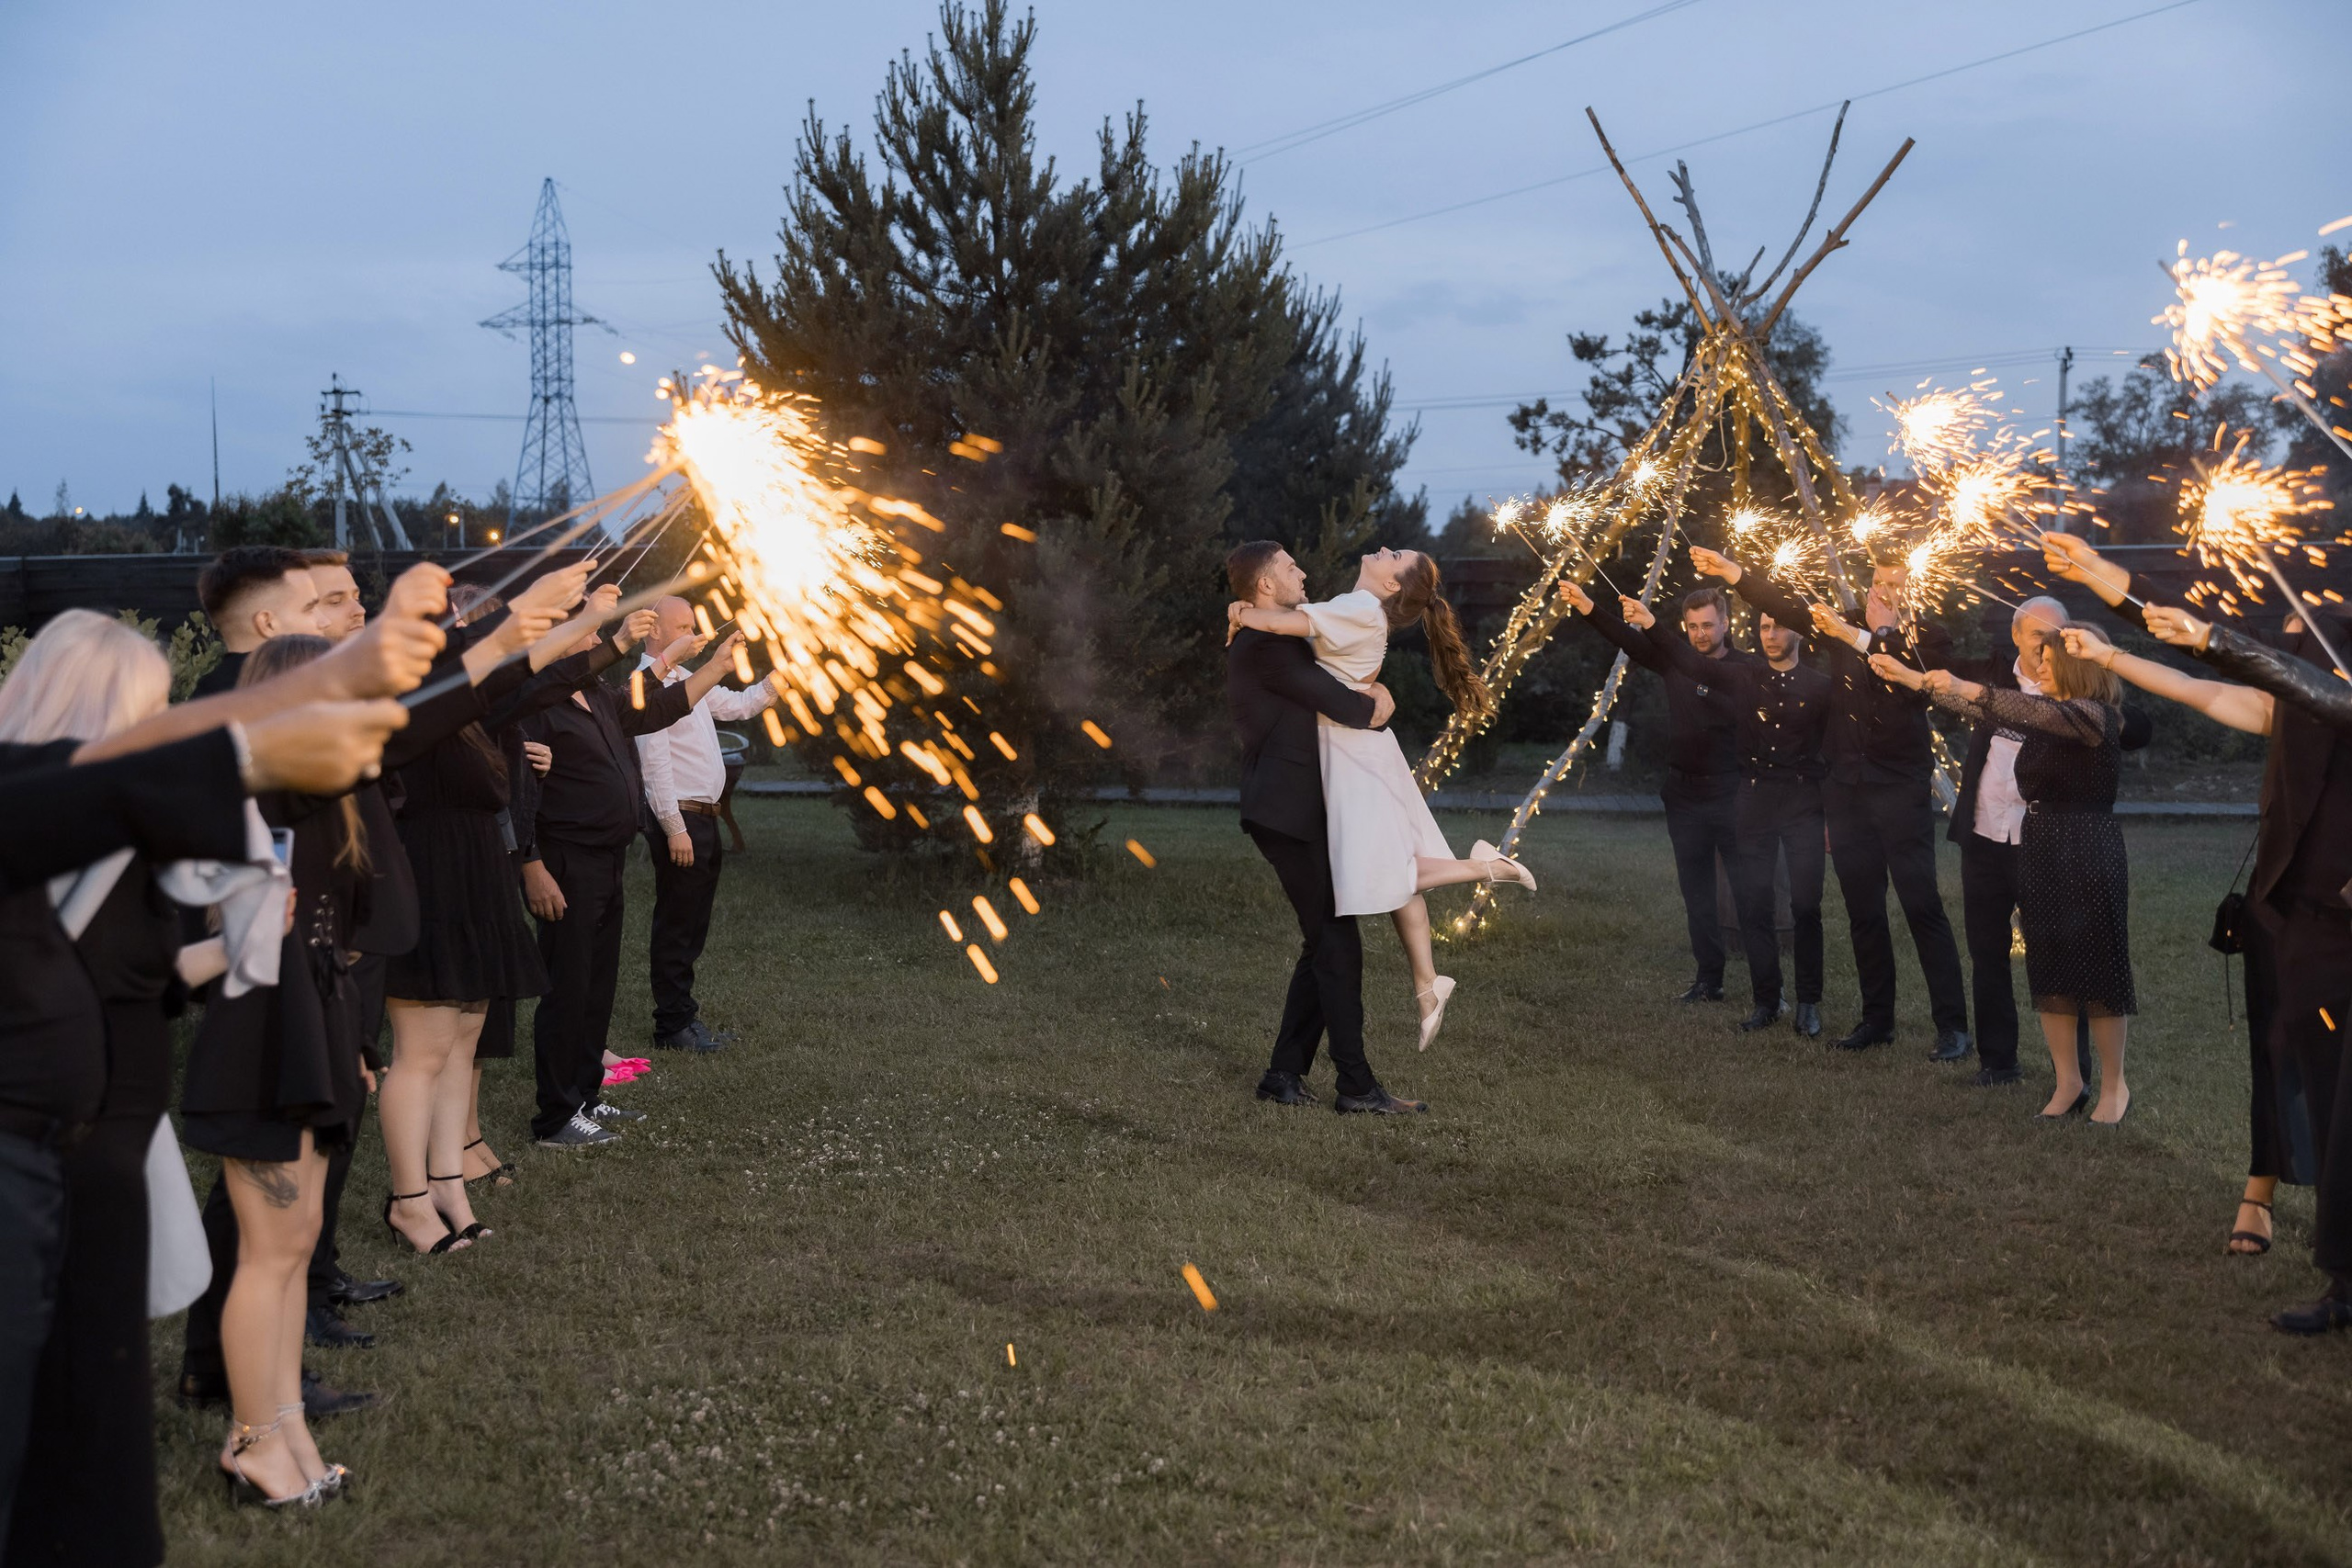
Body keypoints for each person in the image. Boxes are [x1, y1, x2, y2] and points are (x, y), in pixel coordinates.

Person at [0, 613, 281, 1557]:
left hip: (107, 1122)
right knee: (77, 1406)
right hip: (69, 1145)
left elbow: (144, 983)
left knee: (83, 1391)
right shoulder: (59, 822)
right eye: (150, 710)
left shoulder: (94, 824)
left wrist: (232, 938)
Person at [2042, 532, 2346, 1329]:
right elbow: (2200, 687)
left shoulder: (2334, 696)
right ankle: (2340, 1281)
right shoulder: (2294, 701)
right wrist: (2114, 628)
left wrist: (2207, 635)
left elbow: (2253, 664)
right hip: (2290, 917)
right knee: (2304, 1072)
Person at [1227, 545, 1536, 1056]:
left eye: (1391, 554)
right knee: (1389, 869)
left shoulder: (1357, 609)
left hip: (1350, 754)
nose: (1379, 549)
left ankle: (1487, 871)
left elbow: (1292, 633)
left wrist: (1239, 611)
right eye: (1289, 568)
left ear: (1393, 585)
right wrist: (1377, 691)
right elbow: (1342, 667)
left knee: (1385, 869)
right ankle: (1428, 981)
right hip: (1353, 753)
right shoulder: (1356, 608)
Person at [1689, 545, 1970, 1057]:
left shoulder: (1930, 640)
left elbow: (1907, 682)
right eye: (1878, 584)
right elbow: (1791, 607)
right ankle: (1876, 1020)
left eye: (1896, 585)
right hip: (1846, 795)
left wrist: (1871, 635)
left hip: (1900, 793)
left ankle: (1952, 1026)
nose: (1885, 594)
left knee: (1921, 905)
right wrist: (1735, 575)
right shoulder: (1842, 623)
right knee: (1863, 910)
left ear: (1913, 593)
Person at [1870, 637, 2136, 1122]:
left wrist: (1969, 686)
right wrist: (1910, 678)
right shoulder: (2039, 710)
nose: (2042, 667)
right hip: (2041, 846)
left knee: (2096, 971)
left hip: (2087, 847)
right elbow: (1982, 711)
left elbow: (2002, 704)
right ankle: (2068, 1082)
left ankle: (2115, 1088)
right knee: (2050, 970)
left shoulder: (2095, 716)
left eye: (2052, 663)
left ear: (2079, 669)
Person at [1571, 583, 1831, 1035]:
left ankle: (1773, 994)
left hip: (1736, 795)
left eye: (1707, 625)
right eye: (1691, 627)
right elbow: (1630, 640)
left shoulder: (1749, 670)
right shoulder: (1675, 660)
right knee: (1697, 893)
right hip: (1685, 795)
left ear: (1727, 623)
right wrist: (1589, 607)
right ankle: (1710, 979)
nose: (1700, 634)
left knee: (1754, 897)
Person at [513, 612, 730, 1147]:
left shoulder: (596, 695)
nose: (595, 640)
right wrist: (531, 863)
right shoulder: (537, 705)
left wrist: (713, 665)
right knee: (567, 989)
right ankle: (556, 1117)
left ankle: (586, 1094)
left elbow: (657, 705)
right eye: (586, 634)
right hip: (566, 862)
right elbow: (518, 794)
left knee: (596, 986)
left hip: (607, 860)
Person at [1223, 542, 1411, 1111]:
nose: (1301, 571)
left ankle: (1283, 1074)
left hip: (1294, 809)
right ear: (1263, 587)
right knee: (1337, 941)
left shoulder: (1269, 637)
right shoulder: (1265, 648)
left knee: (1324, 938)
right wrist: (1384, 700)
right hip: (1285, 810)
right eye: (1288, 567)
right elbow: (1351, 709)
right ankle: (1355, 1085)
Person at [634, 596, 785, 1053]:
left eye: (694, 626)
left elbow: (740, 705)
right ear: (653, 632)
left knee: (692, 922)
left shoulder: (686, 678)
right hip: (680, 819)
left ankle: (683, 1018)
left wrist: (780, 679)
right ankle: (673, 1027)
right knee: (678, 923)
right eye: (683, 627)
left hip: (704, 818)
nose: (695, 635)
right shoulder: (648, 686)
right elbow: (653, 761)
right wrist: (673, 826)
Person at [194, 547, 322, 692]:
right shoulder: (297, 696)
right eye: (309, 609)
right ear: (267, 623)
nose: (324, 621)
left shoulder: (202, 701)